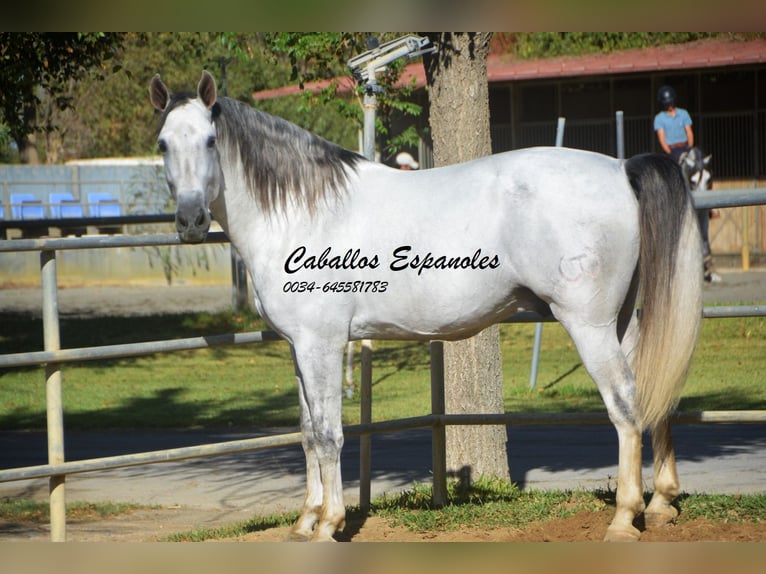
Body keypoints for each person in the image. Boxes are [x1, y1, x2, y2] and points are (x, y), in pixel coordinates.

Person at [654, 85, 694, 161]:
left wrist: (690, 147)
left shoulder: (683, 113)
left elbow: (689, 132)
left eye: (671, 102)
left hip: (685, 148)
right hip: (671, 150)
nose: (670, 105)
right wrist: (669, 152)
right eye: (667, 103)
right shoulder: (659, 118)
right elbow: (662, 139)